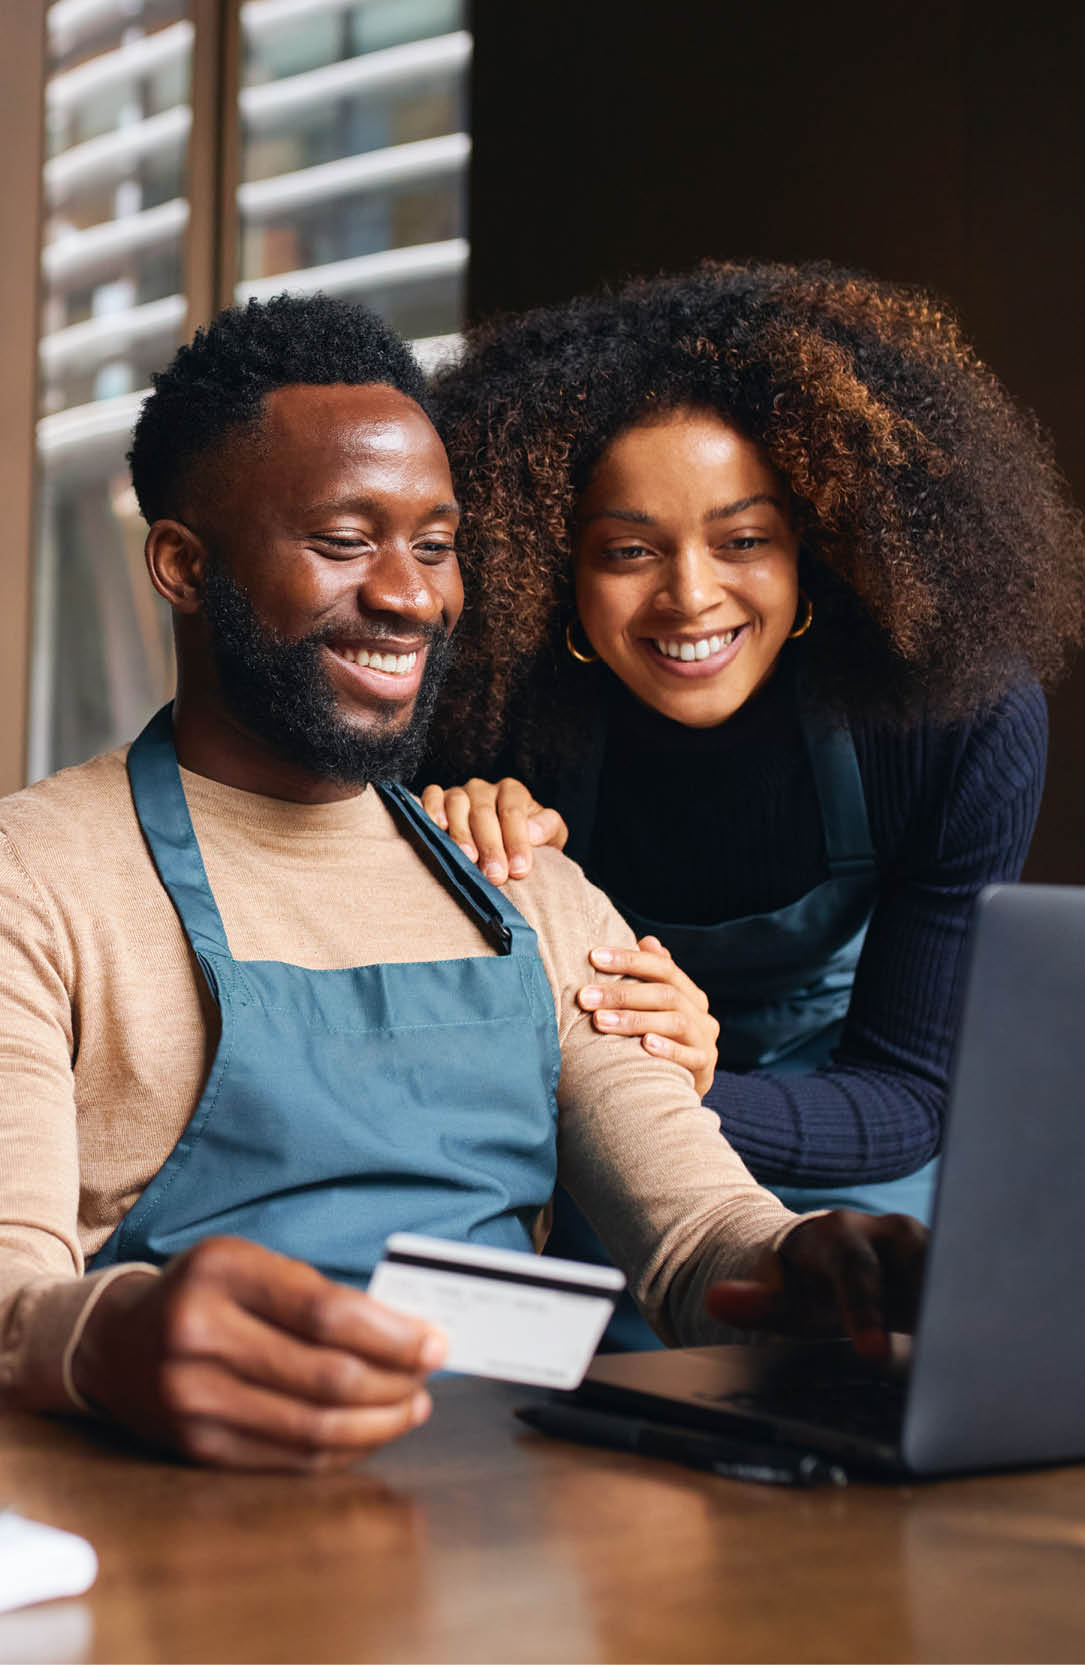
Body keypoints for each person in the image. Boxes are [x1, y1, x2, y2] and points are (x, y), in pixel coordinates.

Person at [0, 293, 926, 1471]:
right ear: (182, 564)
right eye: (343, 541)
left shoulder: (521, 883)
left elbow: (697, 1237)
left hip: (504, 1552)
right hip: (160, 1548)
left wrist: (811, 1269)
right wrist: (112, 1330)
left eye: (433, 545)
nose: (411, 594)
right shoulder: (19, 883)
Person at [420, 261, 1085, 1344]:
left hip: (852, 1152)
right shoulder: (486, 716)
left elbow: (909, 1095)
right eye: (629, 550)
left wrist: (693, 1078)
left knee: (875, 1378)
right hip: (589, 1162)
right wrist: (449, 845)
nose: (690, 595)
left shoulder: (951, 717)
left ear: (811, 548)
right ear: (551, 570)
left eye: (743, 539)